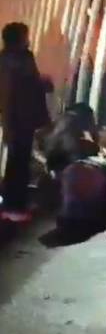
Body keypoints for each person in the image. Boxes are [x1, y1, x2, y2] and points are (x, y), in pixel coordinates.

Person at [0, 22, 52, 221]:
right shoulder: (18, 59)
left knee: (18, 159)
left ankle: (13, 202)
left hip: (18, 117)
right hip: (21, 117)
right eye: (26, 36)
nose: (28, 40)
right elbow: (21, 90)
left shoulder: (10, 58)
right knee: (19, 161)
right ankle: (15, 205)